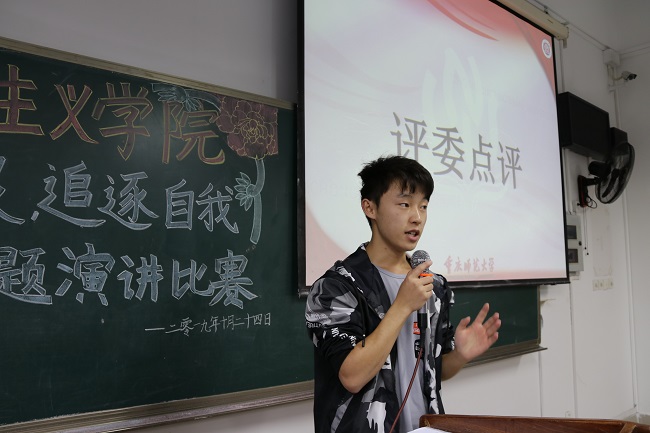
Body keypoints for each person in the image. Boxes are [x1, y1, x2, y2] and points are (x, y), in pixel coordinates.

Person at [305, 155, 501, 433]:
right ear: (370, 208)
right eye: (405, 204)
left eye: (423, 206)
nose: (417, 217)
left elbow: (432, 373)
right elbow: (352, 376)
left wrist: (460, 356)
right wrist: (401, 306)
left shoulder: (434, 286)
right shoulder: (336, 287)